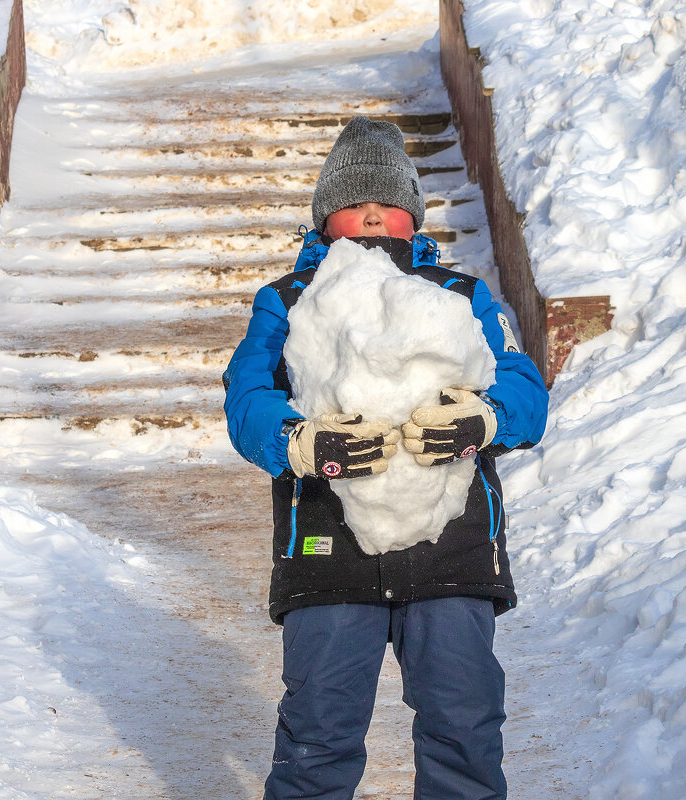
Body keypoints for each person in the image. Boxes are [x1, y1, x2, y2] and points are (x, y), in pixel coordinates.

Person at [222, 116, 549, 800]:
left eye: (388, 201)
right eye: (353, 200)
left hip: (453, 546)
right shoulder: (286, 301)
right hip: (328, 545)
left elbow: (523, 386)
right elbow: (247, 395)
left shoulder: (463, 296)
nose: (372, 212)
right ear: (324, 216)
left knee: (464, 731)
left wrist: (486, 416)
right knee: (318, 738)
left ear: (412, 215)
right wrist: (296, 440)